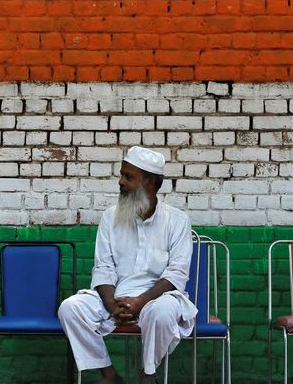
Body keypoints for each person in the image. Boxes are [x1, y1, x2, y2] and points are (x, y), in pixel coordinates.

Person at [58, 146, 195, 384]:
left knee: (163, 313)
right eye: (121, 175)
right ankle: (110, 375)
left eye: (128, 177)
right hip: (116, 299)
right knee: (70, 308)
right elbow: (103, 267)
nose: (120, 182)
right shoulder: (110, 217)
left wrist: (140, 302)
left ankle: (148, 374)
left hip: (157, 300)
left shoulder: (177, 221)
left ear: (149, 182)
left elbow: (176, 274)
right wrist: (113, 305)